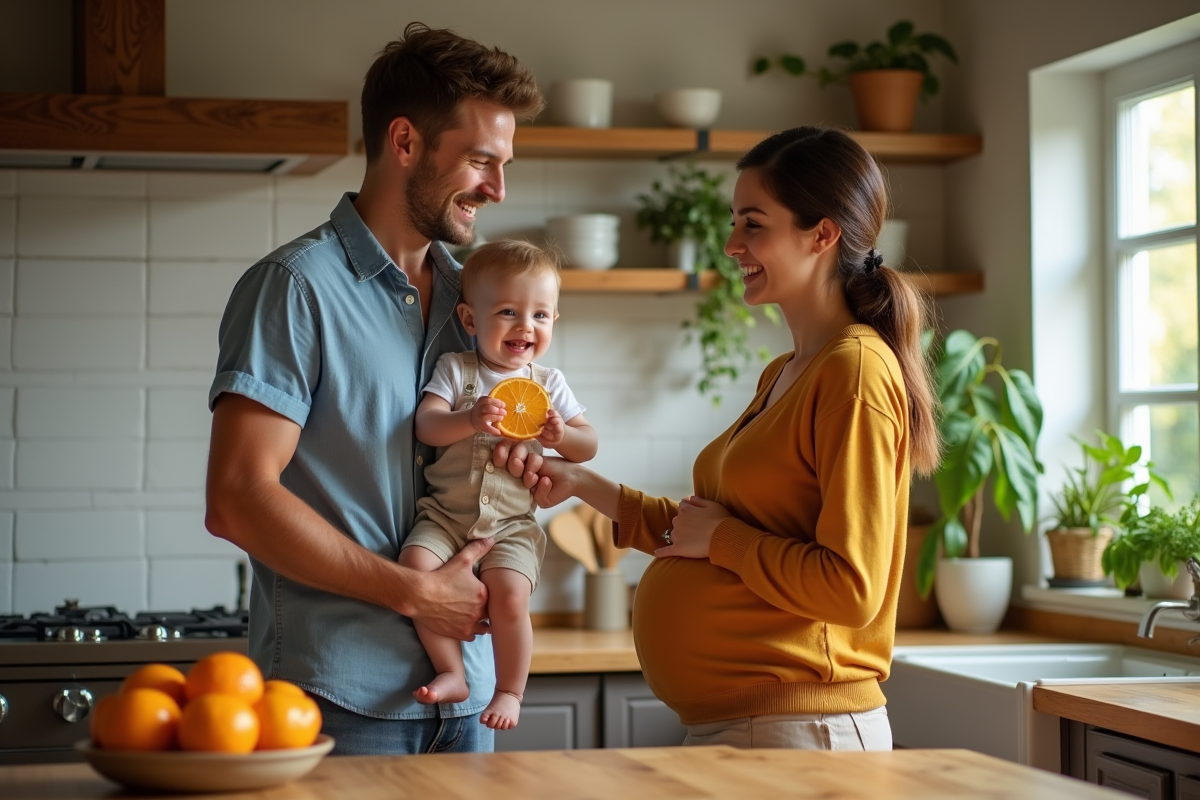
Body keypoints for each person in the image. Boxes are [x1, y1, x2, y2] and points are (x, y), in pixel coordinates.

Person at [514, 126, 940, 750]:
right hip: (753, 728)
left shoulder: (854, 371)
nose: (731, 243)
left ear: (822, 234)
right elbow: (708, 533)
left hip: (803, 726)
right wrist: (582, 483)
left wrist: (723, 539)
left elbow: (852, 587)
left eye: (753, 224)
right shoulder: (789, 371)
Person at [203, 23, 544, 755]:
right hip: (336, 701)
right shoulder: (295, 289)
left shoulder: (477, 304)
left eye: (504, 163)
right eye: (481, 160)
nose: (498, 188)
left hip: (473, 700)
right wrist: (415, 593)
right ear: (406, 142)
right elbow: (236, 498)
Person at [402, 240, 597, 731]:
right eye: (509, 311)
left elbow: (588, 445)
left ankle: (510, 689)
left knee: (510, 596)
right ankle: (452, 671)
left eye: (541, 315)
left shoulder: (549, 383)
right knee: (415, 570)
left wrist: (562, 436)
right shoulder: (455, 369)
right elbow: (427, 425)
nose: (525, 327)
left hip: (511, 526)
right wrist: (468, 418)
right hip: (445, 517)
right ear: (470, 319)